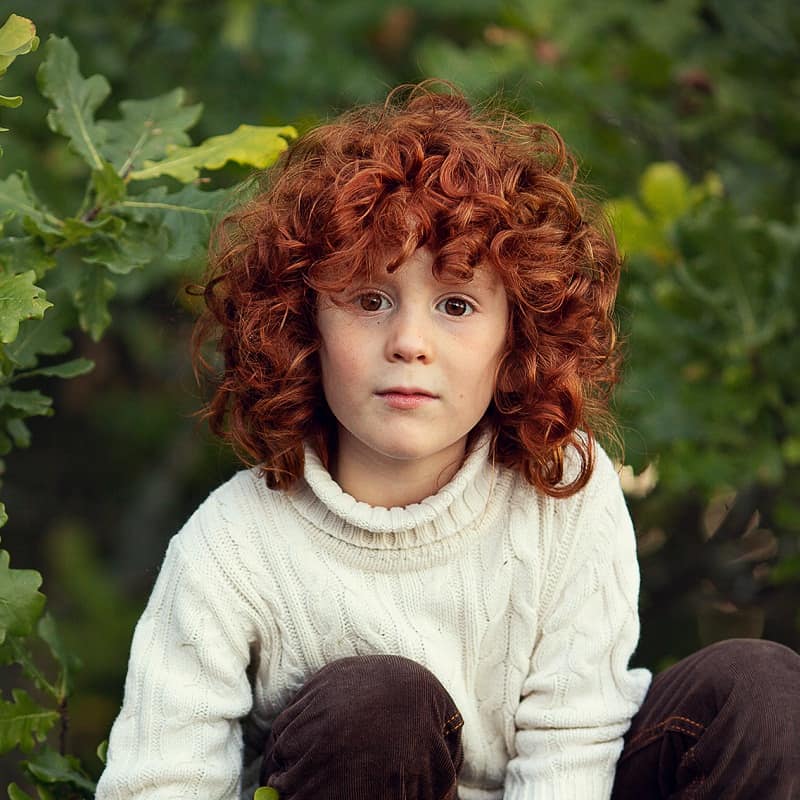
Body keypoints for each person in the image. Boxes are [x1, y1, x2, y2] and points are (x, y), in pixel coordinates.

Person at [95, 83, 799, 800]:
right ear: (304, 324)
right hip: (351, 768)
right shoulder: (232, 548)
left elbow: (572, 754)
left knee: (763, 685)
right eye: (370, 301)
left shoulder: (565, 490)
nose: (409, 343)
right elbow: (158, 785)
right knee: (377, 702)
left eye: (456, 305)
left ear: (516, 338)